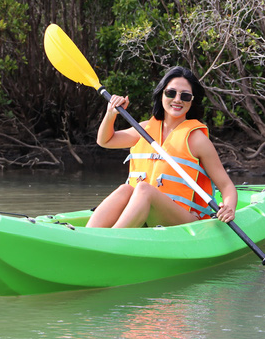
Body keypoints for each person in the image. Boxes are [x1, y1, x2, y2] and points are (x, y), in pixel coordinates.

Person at [87, 66, 238, 228]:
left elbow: (226, 186)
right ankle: (86, 237)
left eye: (185, 96)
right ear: (161, 95)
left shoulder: (197, 140)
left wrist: (229, 207)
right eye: (171, 93)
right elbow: (105, 141)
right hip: (146, 211)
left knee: (144, 189)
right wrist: (111, 114)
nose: (178, 99)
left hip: (185, 221)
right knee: (126, 189)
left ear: (192, 101)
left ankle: (112, 240)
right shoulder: (144, 130)